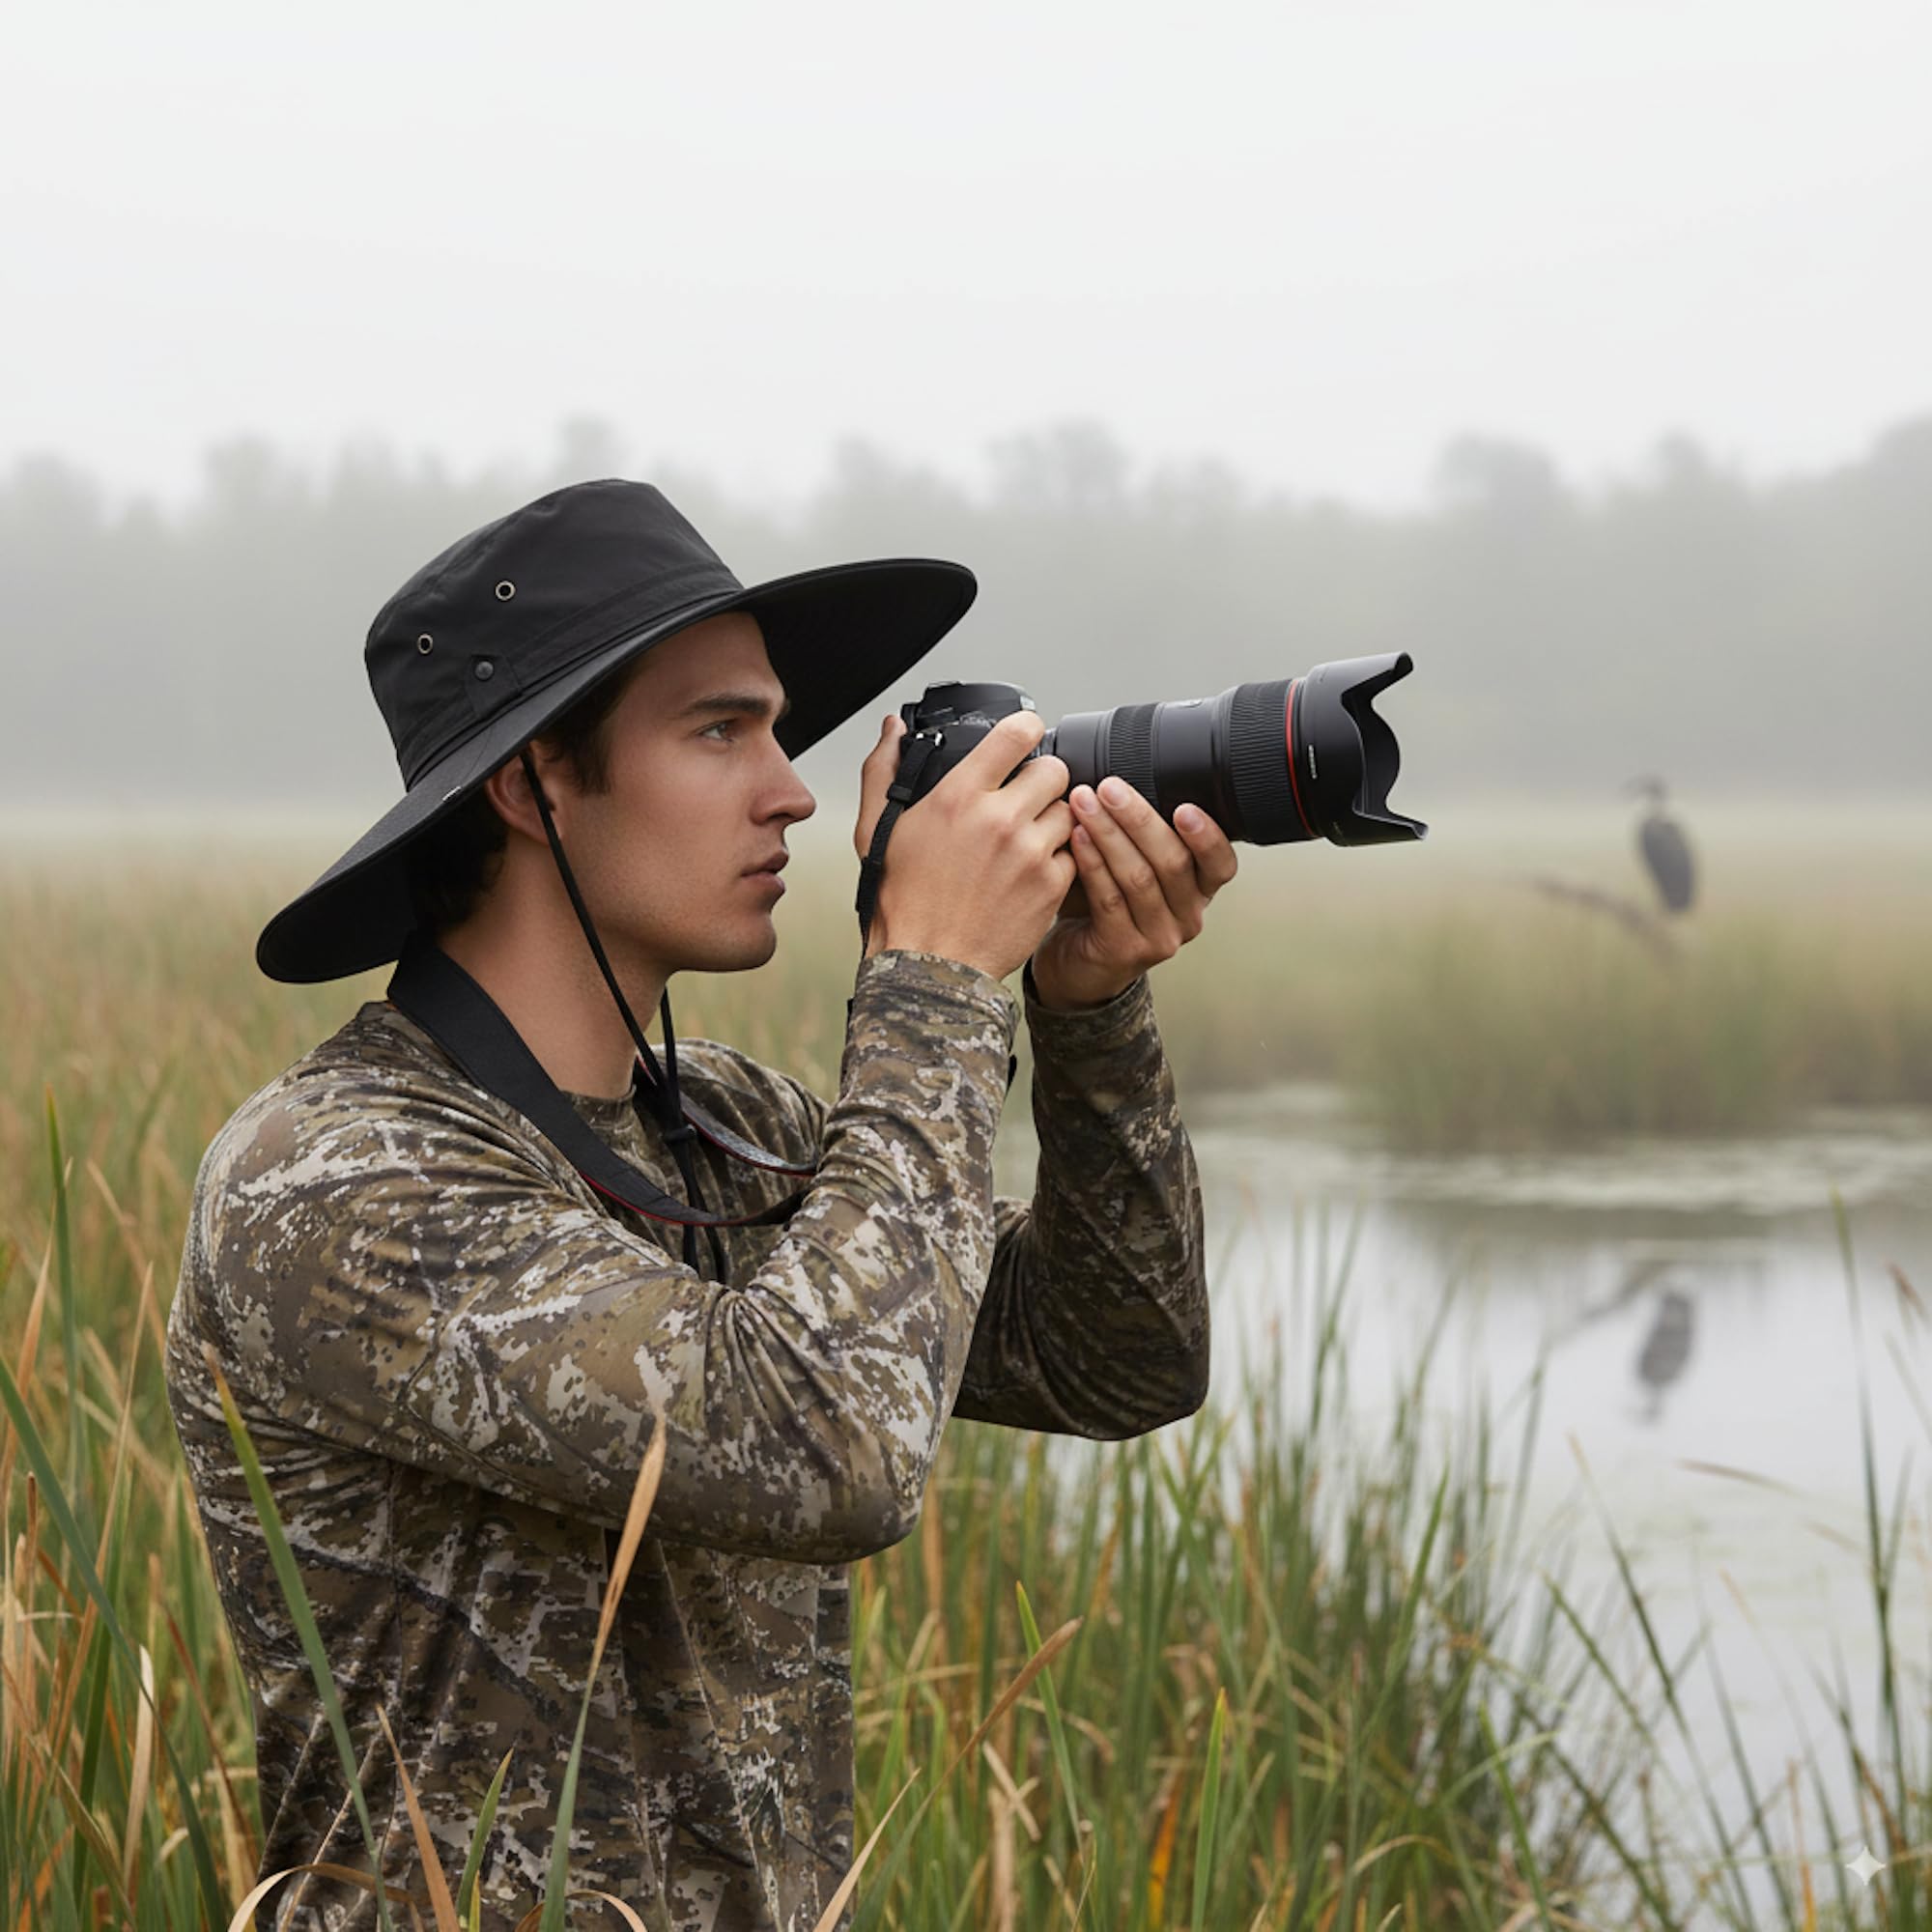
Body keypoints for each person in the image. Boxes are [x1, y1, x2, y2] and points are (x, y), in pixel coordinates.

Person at [165, 479, 1236, 1932]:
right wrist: (933, 981)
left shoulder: (731, 1132)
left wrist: (1088, 1010)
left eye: (779, 731)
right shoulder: (332, 1176)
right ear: (532, 783)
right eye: (722, 730)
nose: (793, 790)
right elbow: (830, 1448)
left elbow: (1115, 1359)